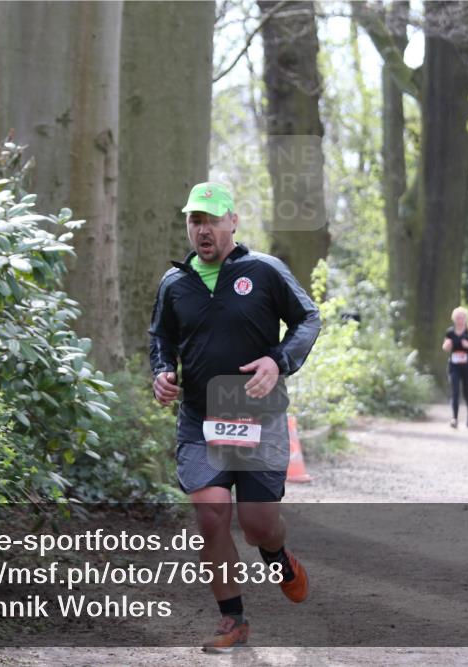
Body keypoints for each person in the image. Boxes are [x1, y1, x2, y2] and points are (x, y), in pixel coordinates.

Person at [148, 182, 321, 653]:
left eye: (211, 219)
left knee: (258, 523)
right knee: (211, 514)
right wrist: (162, 372)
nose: (202, 229)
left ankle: (277, 555)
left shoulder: (264, 271)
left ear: (232, 221)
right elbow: (160, 337)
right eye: (194, 220)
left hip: (257, 416)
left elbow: (308, 319)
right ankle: (233, 621)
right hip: (201, 418)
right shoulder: (175, 284)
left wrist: (277, 360)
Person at [441, 306, 468, 429]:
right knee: (455, 391)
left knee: (466, 391)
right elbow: (445, 347)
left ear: (465, 319)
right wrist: (447, 345)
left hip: (467, 365)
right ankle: (455, 418)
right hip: (454, 365)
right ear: (454, 318)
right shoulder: (450, 332)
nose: (460, 320)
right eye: (458, 317)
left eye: (462, 317)